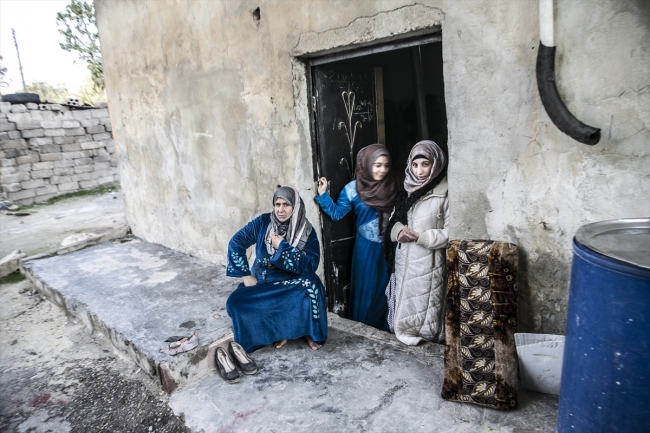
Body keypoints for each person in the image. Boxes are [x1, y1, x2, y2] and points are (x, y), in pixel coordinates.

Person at [225, 186, 327, 352]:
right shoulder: (263, 222)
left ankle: (306, 331)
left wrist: (283, 247)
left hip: (290, 284)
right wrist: (245, 275)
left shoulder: (307, 231)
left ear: (295, 206)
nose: (280, 210)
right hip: (263, 283)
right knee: (234, 303)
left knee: (312, 287)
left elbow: (311, 265)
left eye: (286, 205)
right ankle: (282, 331)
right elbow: (236, 242)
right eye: (277, 204)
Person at [315, 144, 400, 331]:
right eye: (377, 165)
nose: (382, 170)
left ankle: (388, 328)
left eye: (386, 165)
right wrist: (323, 195)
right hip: (366, 249)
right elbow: (337, 214)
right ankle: (365, 329)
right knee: (367, 289)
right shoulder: (352, 189)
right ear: (367, 164)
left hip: (391, 247)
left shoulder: (395, 184)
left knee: (388, 288)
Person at [384, 140, 449, 345]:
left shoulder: (444, 193)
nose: (419, 171)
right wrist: (398, 233)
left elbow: (451, 232)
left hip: (428, 262)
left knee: (426, 308)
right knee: (406, 305)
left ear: (436, 164)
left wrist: (422, 238)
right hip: (404, 260)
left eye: (425, 164)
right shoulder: (405, 190)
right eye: (415, 165)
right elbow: (394, 220)